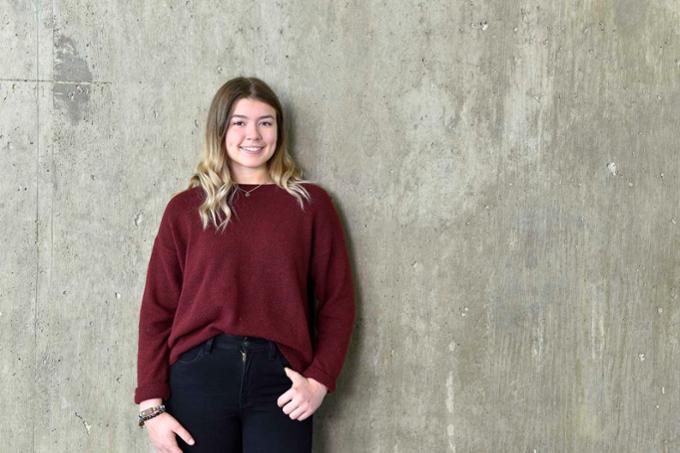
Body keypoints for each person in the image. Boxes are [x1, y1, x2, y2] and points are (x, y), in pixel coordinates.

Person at [133, 76, 356, 453]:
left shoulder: (310, 205)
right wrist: (151, 407)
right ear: (220, 130)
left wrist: (319, 381)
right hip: (198, 378)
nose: (253, 134)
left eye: (265, 122)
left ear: (278, 131)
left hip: (281, 384)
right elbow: (158, 309)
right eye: (239, 122)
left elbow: (338, 302)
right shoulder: (186, 209)